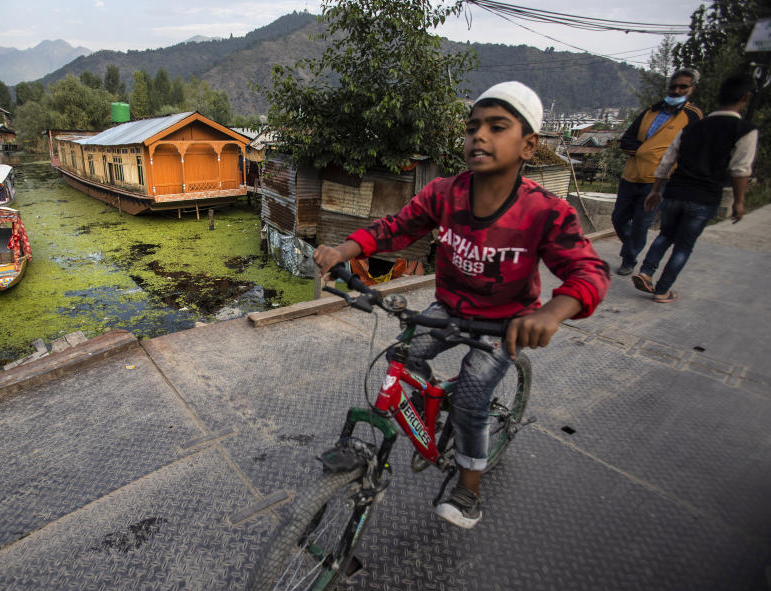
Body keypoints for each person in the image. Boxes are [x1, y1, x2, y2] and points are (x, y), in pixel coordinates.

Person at [312, 82, 609, 529]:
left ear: (529, 144)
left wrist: (550, 313)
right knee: (401, 357)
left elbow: (589, 273)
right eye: (472, 128)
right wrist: (344, 251)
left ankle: (469, 487)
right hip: (449, 308)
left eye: (497, 127)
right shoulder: (445, 193)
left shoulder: (545, 211)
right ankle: (432, 407)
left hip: (502, 325)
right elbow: (396, 227)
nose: (479, 137)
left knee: (472, 399)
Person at [631, 74, 759, 303]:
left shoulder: (693, 127)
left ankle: (647, 271)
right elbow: (741, 170)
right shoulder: (744, 130)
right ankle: (662, 290)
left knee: (665, 234)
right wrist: (739, 202)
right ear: (745, 98)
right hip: (704, 196)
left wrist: (655, 191)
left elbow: (667, 160)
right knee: (683, 245)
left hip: (675, 191)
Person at [611, 69, 704, 276]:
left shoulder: (692, 116)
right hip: (631, 175)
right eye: (673, 86)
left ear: (691, 89)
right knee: (618, 218)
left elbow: (692, 149)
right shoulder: (650, 112)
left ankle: (629, 258)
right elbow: (627, 140)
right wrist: (644, 152)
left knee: (641, 222)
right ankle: (631, 247)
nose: (677, 90)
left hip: (658, 180)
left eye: (682, 87)